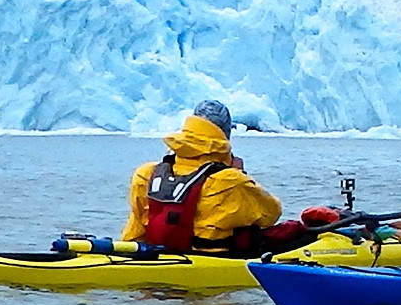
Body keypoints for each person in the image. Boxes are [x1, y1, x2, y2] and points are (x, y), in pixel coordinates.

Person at [120, 100, 283, 255]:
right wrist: (240, 174)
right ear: (225, 134)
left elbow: (135, 231)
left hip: (155, 257)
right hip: (210, 266)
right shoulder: (231, 181)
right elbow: (272, 213)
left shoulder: (146, 174)